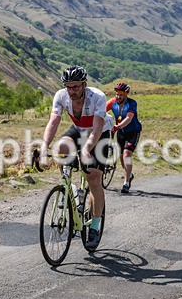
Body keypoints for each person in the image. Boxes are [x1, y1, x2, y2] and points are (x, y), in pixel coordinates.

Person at [41, 65, 107, 250]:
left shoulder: (98, 97)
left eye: (76, 87)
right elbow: (54, 121)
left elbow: (98, 127)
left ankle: (95, 225)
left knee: (94, 178)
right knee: (60, 147)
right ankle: (70, 187)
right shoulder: (61, 96)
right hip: (79, 129)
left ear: (84, 84)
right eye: (69, 87)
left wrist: (86, 149)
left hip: (100, 133)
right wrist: (44, 146)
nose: (72, 91)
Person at [109, 82, 142, 193]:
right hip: (121, 132)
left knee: (127, 155)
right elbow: (100, 111)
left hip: (133, 132)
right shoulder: (112, 102)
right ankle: (130, 174)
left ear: (126, 94)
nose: (118, 97)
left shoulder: (132, 103)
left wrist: (117, 126)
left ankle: (126, 183)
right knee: (122, 159)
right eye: (117, 94)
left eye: (121, 95)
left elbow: (129, 118)